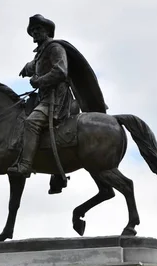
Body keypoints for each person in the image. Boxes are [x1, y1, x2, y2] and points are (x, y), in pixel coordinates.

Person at [8, 14, 107, 193]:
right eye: (33, 31)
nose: (35, 33)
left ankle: (25, 165)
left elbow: (60, 71)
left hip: (57, 100)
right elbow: (35, 65)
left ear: (47, 31)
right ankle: (55, 171)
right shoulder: (40, 54)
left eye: (38, 29)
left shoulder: (55, 48)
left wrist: (39, 81)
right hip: (44, 98)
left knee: (31, 122)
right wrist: (27, 68)